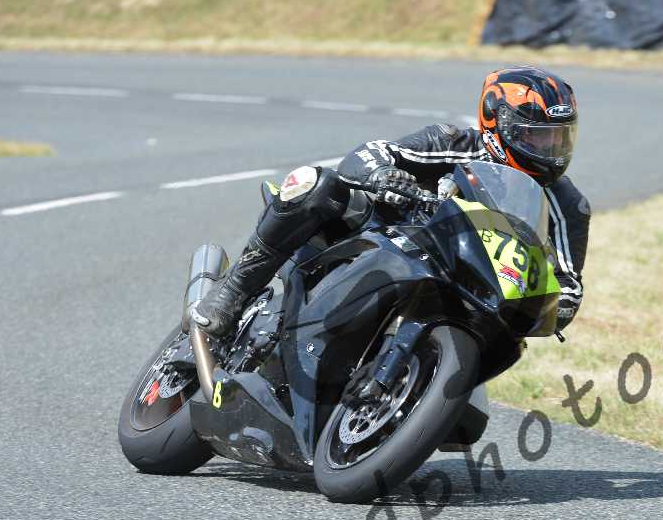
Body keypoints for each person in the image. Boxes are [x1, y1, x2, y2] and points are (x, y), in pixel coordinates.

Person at [191, 65, 590, 338]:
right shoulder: (452, 142)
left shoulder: (569, 206)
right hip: (386, 236)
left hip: (464, 289)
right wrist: (385, 176)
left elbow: (569, 285)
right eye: (536, 136)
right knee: (315, 183)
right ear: (495, 121)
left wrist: (555, 303)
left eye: (559, 138)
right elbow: (368, 154)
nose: (550, 150)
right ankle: (233, 292)